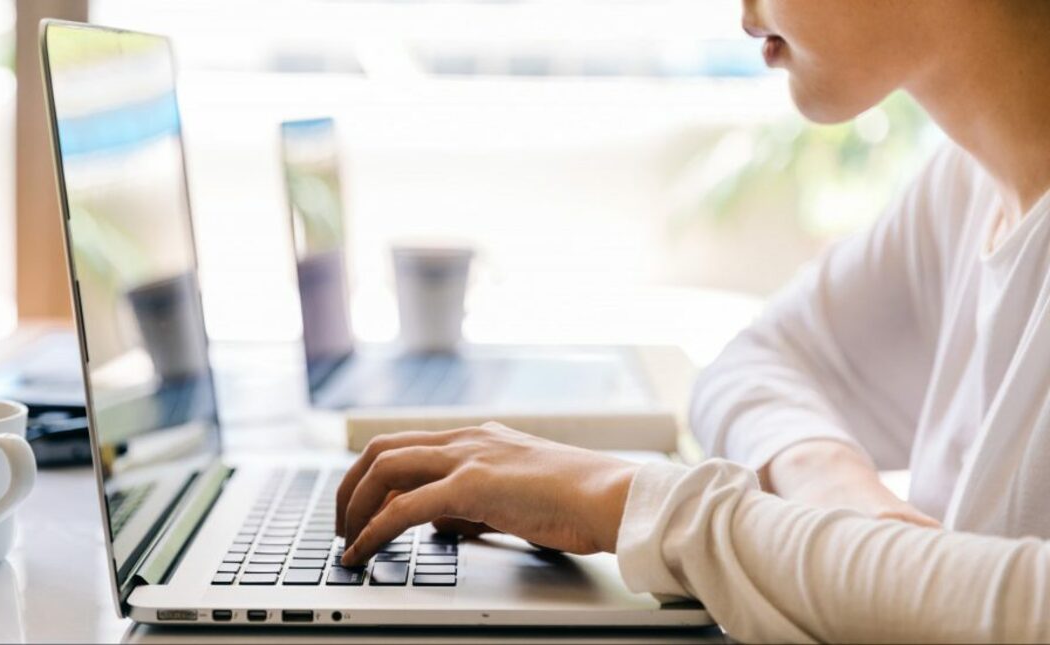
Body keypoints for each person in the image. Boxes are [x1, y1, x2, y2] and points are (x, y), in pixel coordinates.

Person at [334, 1, 1050, 641]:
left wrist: (629, 503)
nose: (742, 12)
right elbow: (754, 362)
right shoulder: (966, 184)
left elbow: (1026, 608)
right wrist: (845, 506)